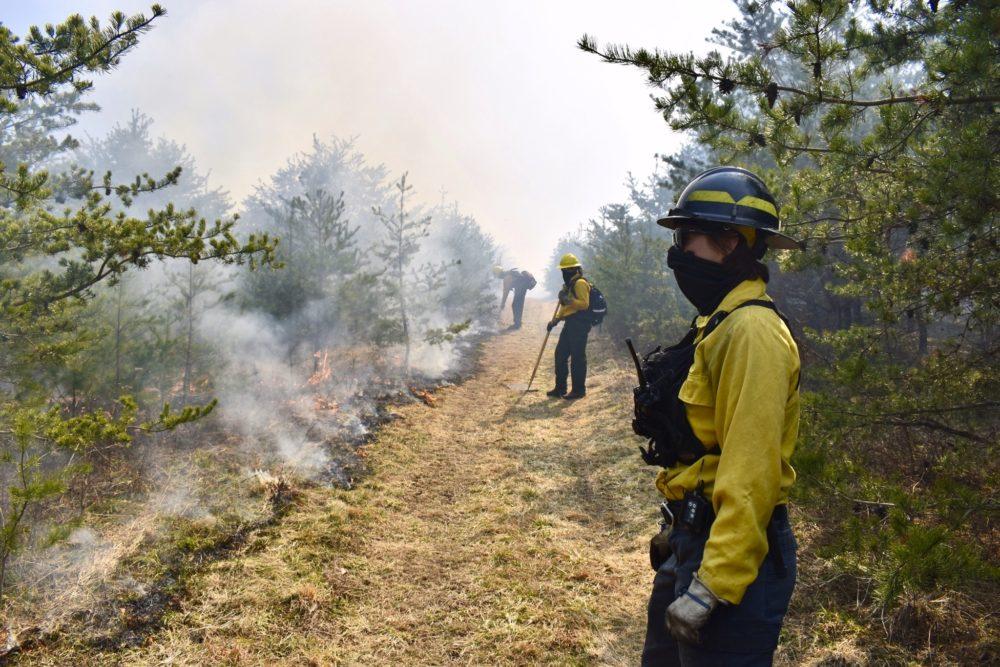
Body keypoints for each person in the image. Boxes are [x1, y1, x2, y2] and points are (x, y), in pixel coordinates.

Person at [638, 167, 803, 666]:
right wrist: (678, 527)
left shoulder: (752, 333)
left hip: (731, 562)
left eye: (688, 237)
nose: (678, 252)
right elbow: (708, 449)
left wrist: (714, 585)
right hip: (695, 540)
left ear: (730, 242)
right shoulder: (719, 321)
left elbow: (751, 471)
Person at [546, 253, 591, 400]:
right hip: (571, 323)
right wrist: (556, 320)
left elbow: (584, 304)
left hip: (580, 324)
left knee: (577, 357)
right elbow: (566, 308)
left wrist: (569, 299)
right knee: (560, 354)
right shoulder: (569, 285)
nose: (564, 273)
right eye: (563, 270)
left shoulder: (580, 284)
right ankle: (560, 388)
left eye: (567, 270)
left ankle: (578, 390)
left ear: (574, 269)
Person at [494, 265, 536, 329]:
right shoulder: (510, 273)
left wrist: (503, 303)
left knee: (515, 305)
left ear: (498, 274)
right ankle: (518, 323)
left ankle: (517, 324)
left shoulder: (506, 278)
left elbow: (506, 292)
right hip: (522, 287)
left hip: (521, 288)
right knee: (518, 304)